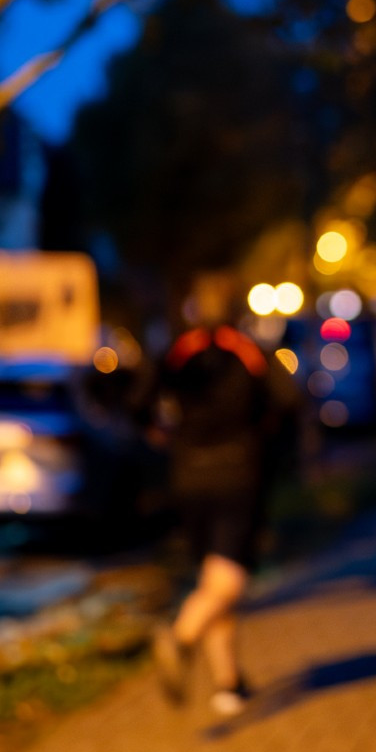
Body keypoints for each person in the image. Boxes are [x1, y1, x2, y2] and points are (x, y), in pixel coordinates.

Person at [150, 272, 300, 716]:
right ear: (236, 307)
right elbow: (289, 400)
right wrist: (272, 438)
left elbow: (140, 396)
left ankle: (228, 684)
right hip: (238, 475)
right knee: (229, 578)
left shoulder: (179, 352)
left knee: (212, 579)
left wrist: (157, 430)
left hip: (188, 478)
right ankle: (181, 637)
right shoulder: (248, 350)